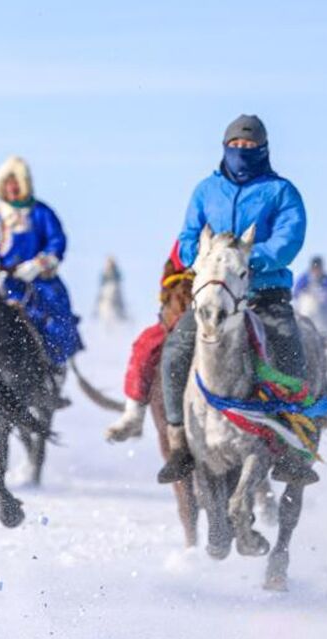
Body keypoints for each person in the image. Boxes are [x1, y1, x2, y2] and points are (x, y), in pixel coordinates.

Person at [157, 114, 315, 485]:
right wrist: (203, 256)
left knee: (290, 350)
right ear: (225, 147)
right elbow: (188, 236)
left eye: (249, 146)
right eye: (235, 145)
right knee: (175, 351)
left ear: (263, 149)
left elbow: (288, 239)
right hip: (213, 298)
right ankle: (179, 442)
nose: (242, 151)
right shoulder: (205, 191)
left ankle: (294, 449)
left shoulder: (281, 192)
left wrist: (246, 259)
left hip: (264, 294)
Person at [0, 156, 83, 368]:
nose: (12, 188)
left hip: (39, 281)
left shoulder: (41, 212)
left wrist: (37, 265)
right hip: (4, 282)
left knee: (52, 313)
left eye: (16, 183)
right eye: (8, 183)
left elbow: (57, 242)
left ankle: (53, 363)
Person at [105, 242, 190, 441]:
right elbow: (175, 260)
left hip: (224, 305)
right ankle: (134, 413)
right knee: (145, 345)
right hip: (177, 311)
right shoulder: (190, 236)